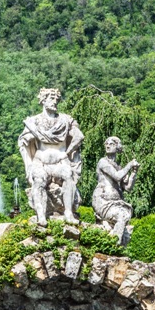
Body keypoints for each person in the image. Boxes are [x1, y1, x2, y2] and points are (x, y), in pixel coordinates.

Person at [17, 88, 85, 227]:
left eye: (56, 99)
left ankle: (68, 213)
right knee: (39, 180)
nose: (54, 102)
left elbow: (79, 136)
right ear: (43, 100)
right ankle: (41, 216)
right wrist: (29, 137)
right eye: (51, 98)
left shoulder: (65, 120)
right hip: (40, 161)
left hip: (61, 161)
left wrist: (67, 153)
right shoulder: (34, 121)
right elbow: (23, 141)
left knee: (68, 175)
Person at [92, 136, 140, 245]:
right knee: (121, 215)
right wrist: (129, 165)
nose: (108, 146)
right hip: (103, 201)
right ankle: (114, 245)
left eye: (111, 144)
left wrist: (134, 173)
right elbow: (117, 176)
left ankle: (116, 243)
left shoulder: (118, 167)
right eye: (106, 144)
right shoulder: (103, 162)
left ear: (117, 147)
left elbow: (128, 188)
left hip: (116, 203)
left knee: (123, 215)